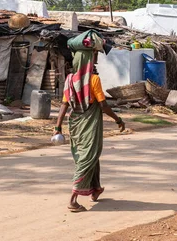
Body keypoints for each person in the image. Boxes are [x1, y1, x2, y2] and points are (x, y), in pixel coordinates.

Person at [53, 49, 125, 213]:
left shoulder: (70, 79)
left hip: (75, 124)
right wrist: (118, 120)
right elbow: (104, 105)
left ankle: (95, 188)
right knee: (87, 157)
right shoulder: (93, 80)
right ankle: (73, 199)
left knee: (91, 154)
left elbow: (64, 104)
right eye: (93, 59)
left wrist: (58, 127)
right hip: (89, 123)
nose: (95, 62)